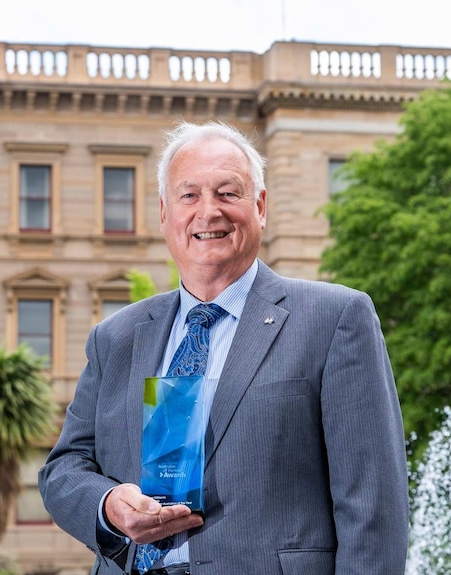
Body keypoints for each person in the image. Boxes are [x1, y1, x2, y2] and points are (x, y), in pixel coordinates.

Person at [38, 120, 408, 575]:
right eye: (188, 195)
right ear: (164, 212)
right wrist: (110, 504)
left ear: (261, 206)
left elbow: (372, 506)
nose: (208, 212)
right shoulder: (116, 337)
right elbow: (64, 469)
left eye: (228, 193)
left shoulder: (333, 320)